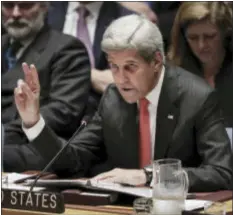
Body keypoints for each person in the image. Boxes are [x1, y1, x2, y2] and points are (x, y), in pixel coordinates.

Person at [11, 15, 232, 192]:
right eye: (114, 67)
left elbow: (222, 172)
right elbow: (73, 160)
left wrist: (149, 176)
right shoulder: (113, 98)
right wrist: (33, 121)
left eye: (130, 67)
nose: (120, 79)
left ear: (156, 61)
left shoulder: (197, 97)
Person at [2, 1, 91, 171]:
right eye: (8, 5)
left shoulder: (67, 48)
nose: (15, 14)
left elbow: (63, 111)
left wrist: (3, 133)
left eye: (25, 6)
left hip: (36, 145)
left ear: (44, 7)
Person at [47, 1, 134, 119]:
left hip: (101, 116)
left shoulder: (128, 21)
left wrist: (64, 71)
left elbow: (129, 81)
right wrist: (89, 75)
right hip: (48, 110)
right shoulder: (42, 11)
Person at [167, 2, 233, 127]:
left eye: (209, 36)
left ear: (226, 32)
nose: (201, 45)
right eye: (193, 38)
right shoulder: (173, 76)